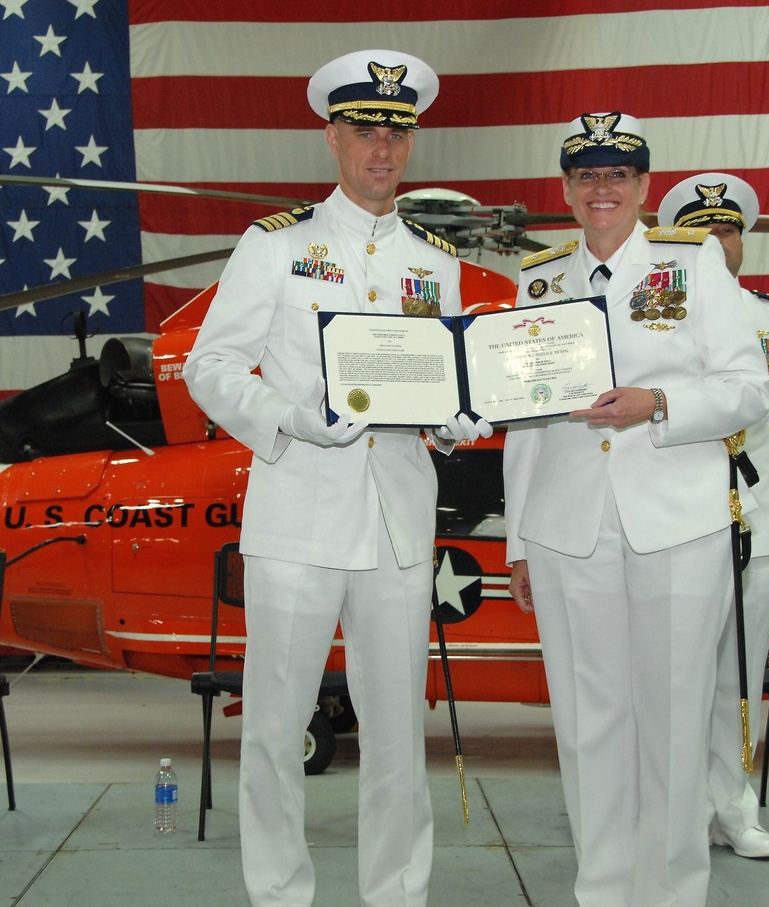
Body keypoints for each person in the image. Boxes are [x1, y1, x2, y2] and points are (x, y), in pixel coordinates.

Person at [184, 49, 488, 907]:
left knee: (396, 733)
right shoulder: (276, 245)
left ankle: (395, 893)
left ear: (412, 142)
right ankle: (279, 891)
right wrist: (288, 417)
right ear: (332, 138)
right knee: (277, 728)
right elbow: (212, 365)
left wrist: (454, 419)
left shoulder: (435, 260)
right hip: (299, 517)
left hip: (397, 522)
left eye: (396, 132)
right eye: (364, 130)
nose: (381, 150)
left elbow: (442, 380)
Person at [503, 113, 769, 907]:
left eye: (617, 175)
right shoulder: (540, 279)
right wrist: (519, 538)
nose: (602, 189)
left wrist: (658, 401)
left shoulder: (694, 266)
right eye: (586, 175)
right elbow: (524, 420)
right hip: (568, 526)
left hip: (676, 522)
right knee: (589, 725)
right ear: (566, 189)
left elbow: (748, 387)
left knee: (675, 720)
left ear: (645, 186)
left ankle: (672, 892)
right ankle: (604, 889)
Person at [659, 173, 769, 859]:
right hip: (681, 524)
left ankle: (734, 804)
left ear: (743, 242)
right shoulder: (660, 314)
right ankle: (676, 807)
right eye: (704, 232)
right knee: (676, 675)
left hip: (756, 526)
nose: (719, 243)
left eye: (729, 230)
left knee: (739, 676)